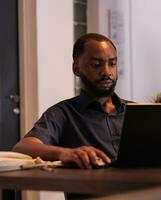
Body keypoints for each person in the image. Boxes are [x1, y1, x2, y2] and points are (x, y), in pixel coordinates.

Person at [13, 33, 130, 169]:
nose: (106, 72)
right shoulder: (63, 113)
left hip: (144, 188)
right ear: (76, 69)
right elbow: (22, 148)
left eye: (112, 64)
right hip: (95, 189)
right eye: (96, 65)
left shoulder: (137, 110)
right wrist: (64, 152)